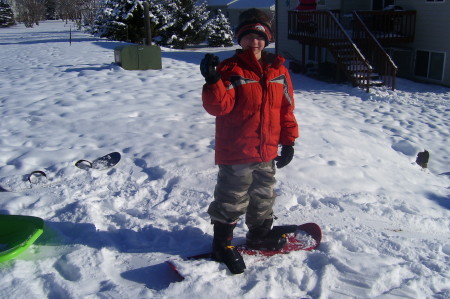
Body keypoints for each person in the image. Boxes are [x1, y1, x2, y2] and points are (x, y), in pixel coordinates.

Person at [199, 8, 299, 274]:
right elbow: (219, 107)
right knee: (232, 197)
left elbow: (286, 109)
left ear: (267, 39)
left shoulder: (278, 70)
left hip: (266, 149)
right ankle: (221, 244)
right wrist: (212, 81)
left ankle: (259, 234)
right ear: (240, 39)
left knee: (263, 195)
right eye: (248, 36)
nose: (254, 42)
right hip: (237, 150)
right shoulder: (230, 68)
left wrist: (288, 142)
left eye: (260, 36)